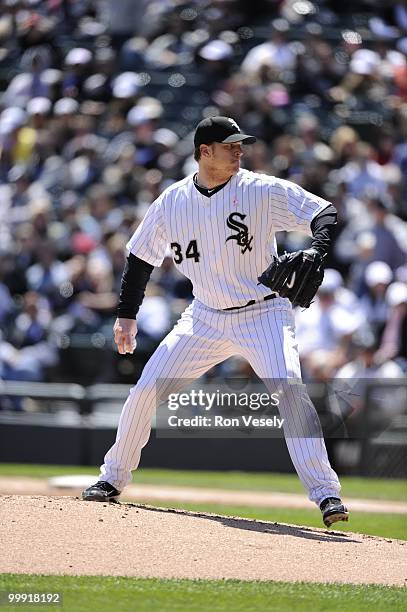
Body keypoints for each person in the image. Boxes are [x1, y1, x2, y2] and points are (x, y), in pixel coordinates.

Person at [82, 116, 349, 528]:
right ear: (205, 151)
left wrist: (317, 248)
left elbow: (324, 213)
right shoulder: (172, 202)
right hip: (204, 317)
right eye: (230, 145)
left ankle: (326, 493)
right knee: (145, 390)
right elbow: (139, 258)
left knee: (290, 392)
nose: (239, 150)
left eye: (241, 144)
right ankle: (111, 479)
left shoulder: (260, 190)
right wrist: (126, 316)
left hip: (264, 313)